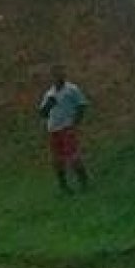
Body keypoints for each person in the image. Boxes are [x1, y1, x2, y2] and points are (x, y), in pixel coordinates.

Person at [37, 64, 90, 193]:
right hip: (53, 130)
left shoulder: (71, 89)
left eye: (59, 74)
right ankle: (64, 186)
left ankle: (84, 183)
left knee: (73, 156)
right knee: (57, 159)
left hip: (66, 128)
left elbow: (82, 105)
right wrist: (48, 105)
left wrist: (75, 123)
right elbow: (42, 113)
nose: (57, 77)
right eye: (54, 75)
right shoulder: (49, 93)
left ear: (63, 75)